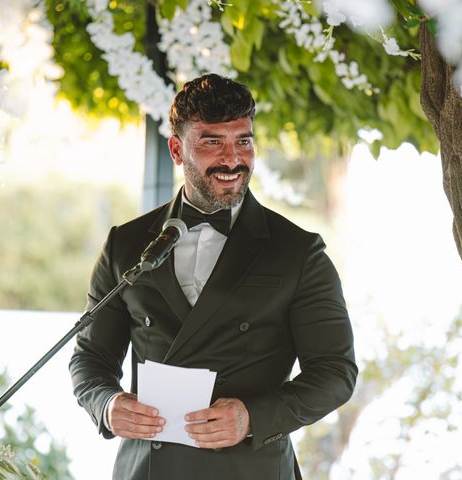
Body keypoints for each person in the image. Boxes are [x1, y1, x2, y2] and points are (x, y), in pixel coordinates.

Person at [69, 73, 357, 480]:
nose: (232, 158)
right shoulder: (126, 244)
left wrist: (251, 417)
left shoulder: (297, 250)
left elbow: (335, 371)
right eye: (211, 141)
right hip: (149, 469)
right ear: (176, 149)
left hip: (249, 467)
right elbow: (90, 358)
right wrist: (106, 404)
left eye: (243, 140)